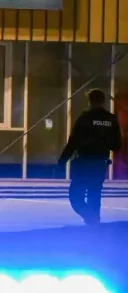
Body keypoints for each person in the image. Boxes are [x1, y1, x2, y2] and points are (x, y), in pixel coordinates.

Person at [59, 89, 122, 225]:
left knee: (76, 196)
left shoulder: (85, 118)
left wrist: (62, 162)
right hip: (100, 163)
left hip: (84, 163)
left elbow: (73, 142)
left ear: (90, 101)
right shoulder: (111, 119)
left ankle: (91, 218)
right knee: (95, 193)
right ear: (103, 101)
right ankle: (95, 225)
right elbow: (117, 146)